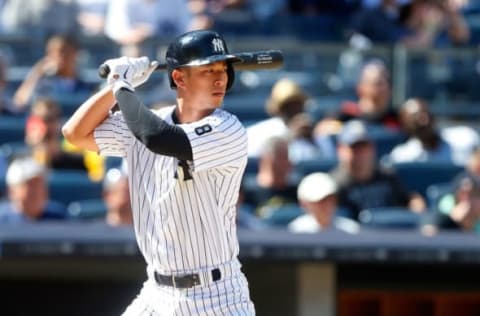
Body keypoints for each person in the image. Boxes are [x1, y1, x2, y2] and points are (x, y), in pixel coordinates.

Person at [62, 30, 255, 315]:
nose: (220, 78)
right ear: (179, 78)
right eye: (208, 70)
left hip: (216, 296)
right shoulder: (151, 119)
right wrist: (114, 86)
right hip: (157, 292)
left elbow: (159, 138)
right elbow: (75, 133)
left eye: (223, 69)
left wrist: (122, 87)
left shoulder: (228, 128)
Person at [330, 119, 426, 220]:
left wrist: (415, 204)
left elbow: (408, 199)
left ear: (372, 148)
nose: (360, 154)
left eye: (363, 147)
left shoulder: (387, 176)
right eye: (354, 148)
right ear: (341, 150)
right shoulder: (334, 184)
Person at [13, 34, 96, 110]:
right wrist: (38, 71)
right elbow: (20, 103)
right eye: (55, 52)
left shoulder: (87, 87)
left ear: (75, 53)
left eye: (66, 51)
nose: (62, 56)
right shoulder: (43, 85)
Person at [387, 98, 480, 166]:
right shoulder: (402, 158)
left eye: (425, 114)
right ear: (405, 127)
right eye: (416, 118)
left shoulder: (466, 138)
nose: (424, 121)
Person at [0, 156, 66, 224]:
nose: (37, 192)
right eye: (31, 186)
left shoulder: (59, 217)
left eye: (41, 186)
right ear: (12, 191)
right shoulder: (2, 219)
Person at [288, 172, 360, 234]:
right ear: (304, 204)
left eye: (329, 199)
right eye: (319, 201)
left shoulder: (351, 230)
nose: (326, 205)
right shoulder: (296, 230)